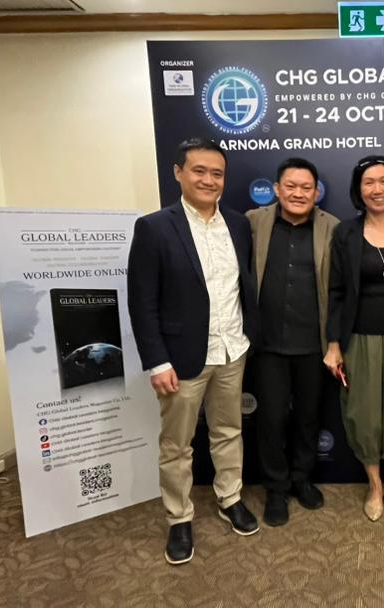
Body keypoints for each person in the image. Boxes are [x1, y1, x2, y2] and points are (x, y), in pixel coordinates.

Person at [127, 137, 260, 566]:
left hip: (232, 350)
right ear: (178, 173)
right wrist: (156, 360)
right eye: (199, 170)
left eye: (216, 173)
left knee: (228, 431)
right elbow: (142, 301)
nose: (208, 180)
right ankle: (179, 518)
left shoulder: (238, 224)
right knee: (177, 445)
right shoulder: (154, 228)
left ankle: (230, 498)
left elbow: (242, 286)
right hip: (181, 359)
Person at [324, 155, 384, 522]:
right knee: (363, 414)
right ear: (358, 190)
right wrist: (334, 344)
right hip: (359, 339)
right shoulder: (345, 233)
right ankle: (374, 486)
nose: (377, 189)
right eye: (369, 182)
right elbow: (335, 292)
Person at [245, 158, 339, 526]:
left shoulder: (332, 227)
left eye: (306, 188)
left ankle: (301, 478)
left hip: (313, 344)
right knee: (270, 420)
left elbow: (339, 290)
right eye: (291, 186)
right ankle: (276, 488)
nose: (298, 193)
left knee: (308, 418)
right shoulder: (253, 222)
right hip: (267, 344)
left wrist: (334, 342)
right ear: (277, 189)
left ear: (316, 192)